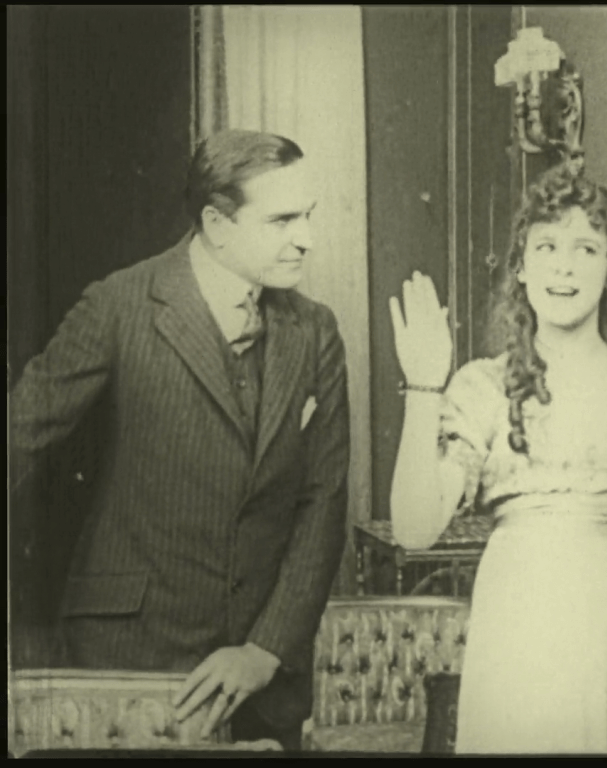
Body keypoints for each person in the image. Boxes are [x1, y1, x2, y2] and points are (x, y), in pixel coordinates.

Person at [8, 129, 351, 752]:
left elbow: (323, 503)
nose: (306, 237)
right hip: (129, 663)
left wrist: (265, 649)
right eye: (282, 220)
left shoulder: (316, 331)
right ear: (217, 225)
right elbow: (17, 437)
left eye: (308, 215)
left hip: (262, 683)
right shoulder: (118, 306)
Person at [388, 164, 607, 754]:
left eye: (587, 248)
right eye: (547, 246)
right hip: (523, 629)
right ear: (522, 267)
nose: (564, 266)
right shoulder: (485, 387)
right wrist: (424, 386)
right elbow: (413, 527)